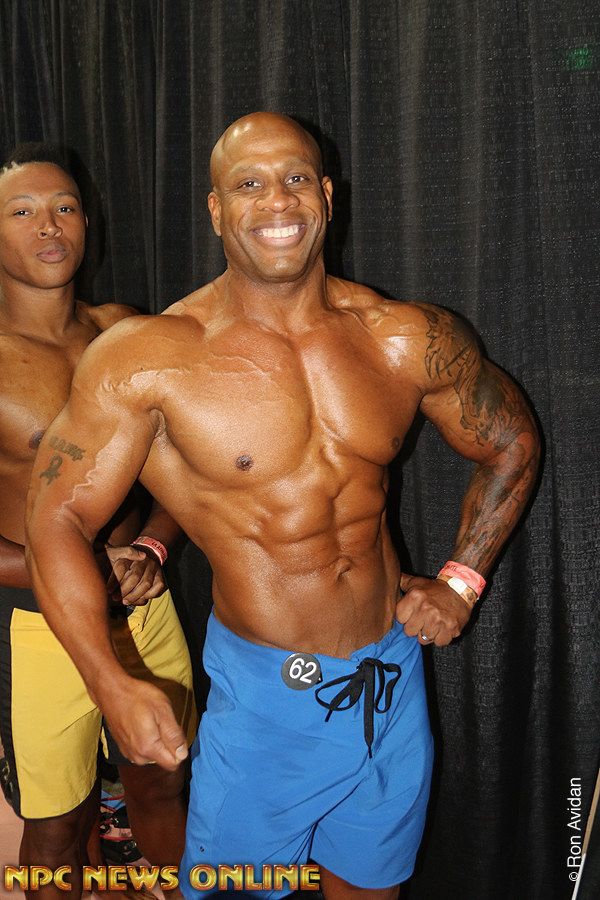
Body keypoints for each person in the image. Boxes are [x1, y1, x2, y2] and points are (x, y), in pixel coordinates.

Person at [26, 113, 540, 900]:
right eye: (249, 184)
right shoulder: (150, 360)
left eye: (296, 178)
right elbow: (56, 518)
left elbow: (510, 440)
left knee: (373, 887)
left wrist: (462, 581)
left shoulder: (402, 337)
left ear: (327, 196)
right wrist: (108, 680)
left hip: (391, 676)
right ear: (216, 209)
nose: (277, 201)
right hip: (266, 701)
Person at [0, 144, 196, 897]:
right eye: (22, 211)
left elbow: (191, 471)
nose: (49, 226)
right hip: (35, 620)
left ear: (89, 223)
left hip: (144, 604)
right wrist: (83, 568)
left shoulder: (126, 332)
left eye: (65, 207)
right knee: (57, 824)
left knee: (163, 780)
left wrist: (152, 546)